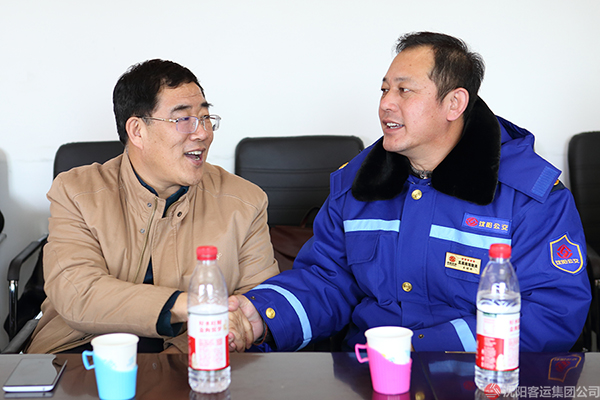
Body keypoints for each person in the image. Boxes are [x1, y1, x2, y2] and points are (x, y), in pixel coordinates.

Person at [228, 32, 591, 353]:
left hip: (478, 380)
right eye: (384, 89)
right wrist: (263, 315)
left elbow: (551, 311)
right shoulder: (356, 185)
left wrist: (418, 349)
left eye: (404, 90)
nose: (386, 103)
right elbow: (327, 281)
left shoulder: (528, 197)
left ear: (454, 104)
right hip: (369, 375)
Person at [26, 59, 279, 354]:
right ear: (137, 131)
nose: (203, 133)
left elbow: (257, 305)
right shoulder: (77, 192)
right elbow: (79, 293)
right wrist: (191, 306)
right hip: (83, 353)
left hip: (196, 357)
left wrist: (186, 356)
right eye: (184, 119)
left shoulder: (246, 201)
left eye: (205, 117)